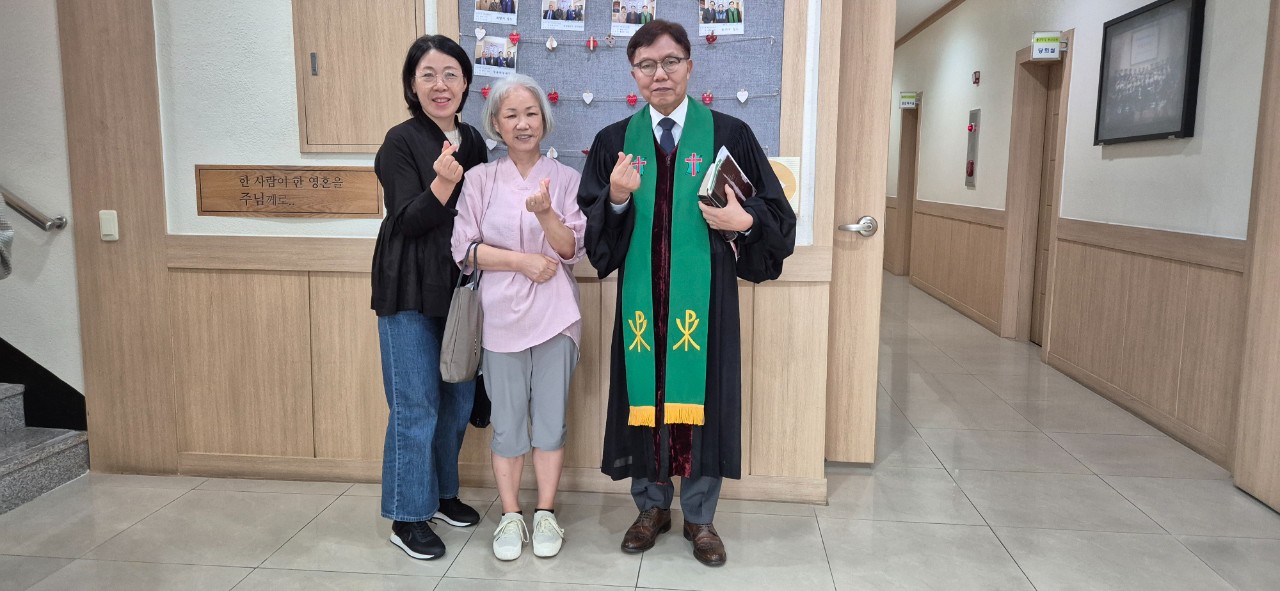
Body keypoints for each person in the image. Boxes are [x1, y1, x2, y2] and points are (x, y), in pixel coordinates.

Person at [577, 20, 795, 567]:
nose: (660, 74)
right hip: (641, 306)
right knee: (644, 398)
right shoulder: (613, 143)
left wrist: (744, 221)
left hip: (706, 304)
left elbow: (776, 216)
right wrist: (618, 199)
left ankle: (700, 516)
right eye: (647, 65)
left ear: (690, 66)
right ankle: (651, 507)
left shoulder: (729, 134)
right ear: (633, 74)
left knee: (704, 398)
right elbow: (597, 243)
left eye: (671, 61)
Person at [451, 73, 587, 562]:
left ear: (544, 122)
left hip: (555, 317)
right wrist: (521, 262)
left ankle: (545, 512)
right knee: (508, 425)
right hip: (499, 319)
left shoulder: (566, 178)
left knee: (550, 422)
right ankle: (511, 515)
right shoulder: (479, 179)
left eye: (531, 114)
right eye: (512, 115)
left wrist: (546, 213)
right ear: (496, 124)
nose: (523, 123)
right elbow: (464, 250)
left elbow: (571, 250)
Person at [373, 34, 489, 561]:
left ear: (465, 84)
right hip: (408, 289)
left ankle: (442, 494)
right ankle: (407, 515)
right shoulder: (399, 142)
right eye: (428, 75)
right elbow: (406, 221)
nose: (440, 85)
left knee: (457, 401)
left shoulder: (474, 141)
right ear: (412, 84)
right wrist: (442, 185)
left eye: (450, 75)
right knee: (416, 405)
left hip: (459, 290)